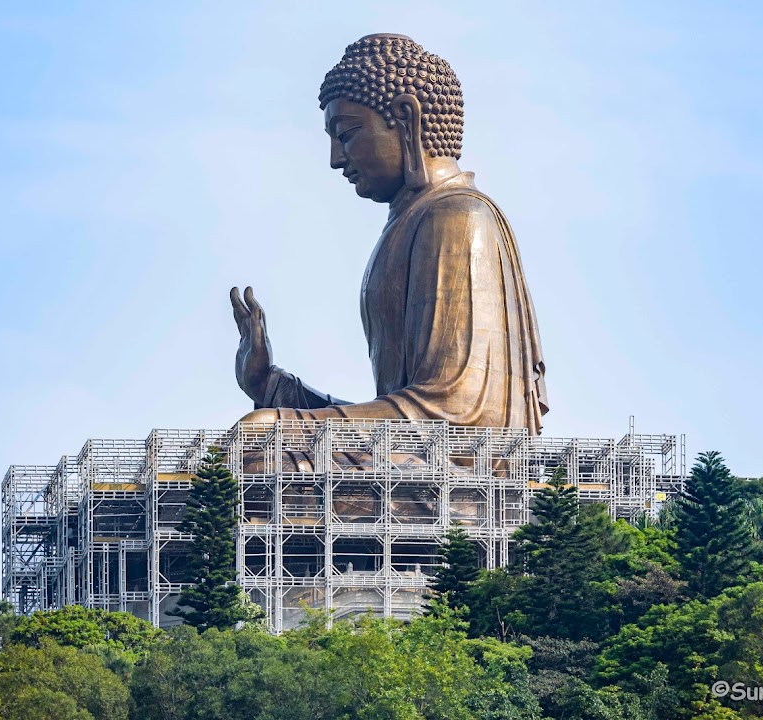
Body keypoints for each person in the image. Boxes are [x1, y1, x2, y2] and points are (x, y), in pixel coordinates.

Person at [231, 33, 548, 436]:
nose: (335, 159)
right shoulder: (410, 221)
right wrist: (272, 387)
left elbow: (456, 417)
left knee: (259, 439)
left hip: (459, 469)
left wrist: (283, 423)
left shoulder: (458, 217)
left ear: (406, 118)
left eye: (346, 134)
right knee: (263, 435)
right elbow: (402, 417)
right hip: (410, 460)